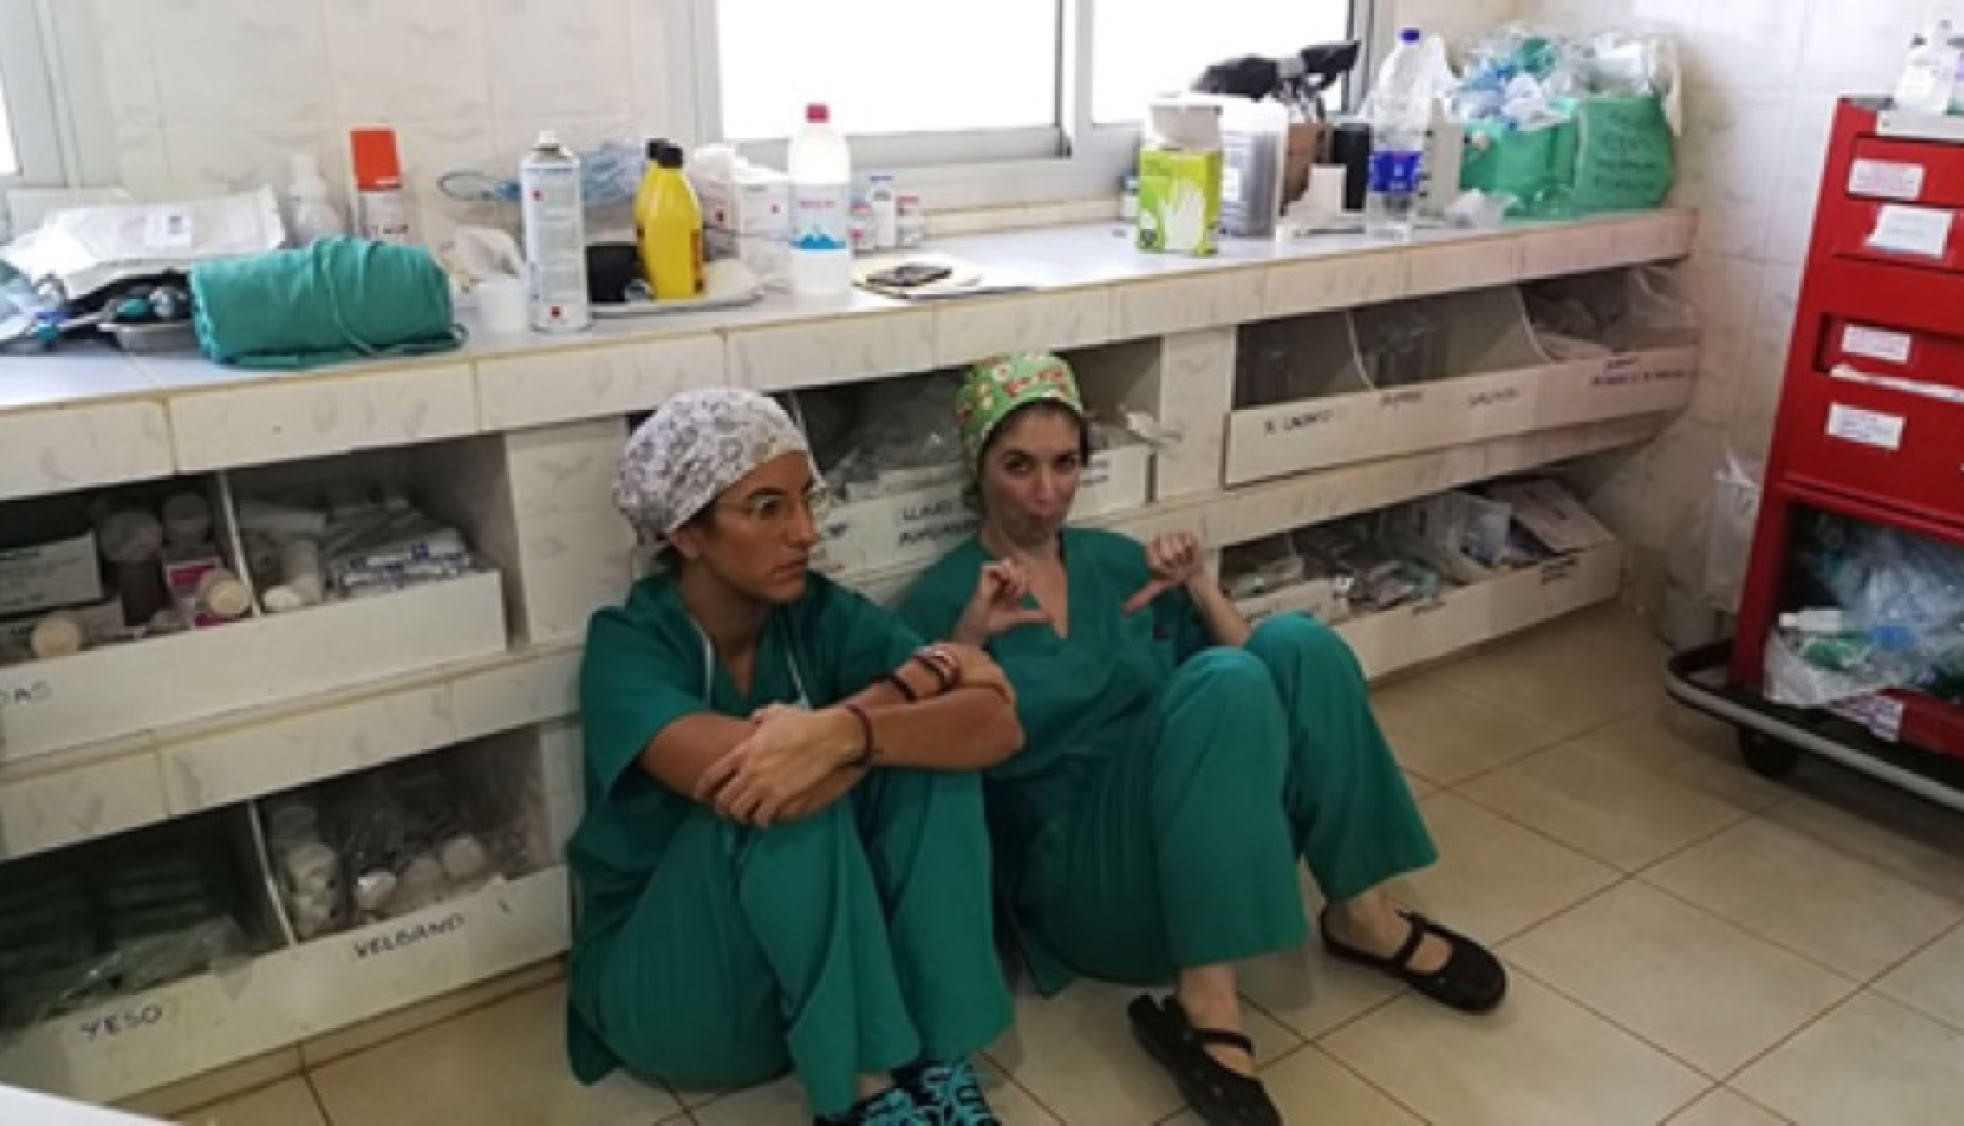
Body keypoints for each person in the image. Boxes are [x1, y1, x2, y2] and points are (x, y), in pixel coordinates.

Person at [899, 354, 1507, 1125]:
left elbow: (1262, 680)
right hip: (1082, 874)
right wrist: (966, 642)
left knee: (1299, 644)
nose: (1046, 492)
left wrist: (1199, 587)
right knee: (1224, 680)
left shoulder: (1117, 562)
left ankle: (1361, 914)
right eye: (1018, 466)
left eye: (1065, 464)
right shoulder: (943, 598)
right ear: (978, 466)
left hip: (1196, 838)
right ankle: (1207, 1000)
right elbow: (914, 753)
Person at [565, 389, 1024, 1126]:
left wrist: (847, 735)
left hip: (803, 974)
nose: (805, 533)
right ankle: (864, 1092)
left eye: (806, 501)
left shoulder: (815, 612)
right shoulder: (630, 646)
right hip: (675, 987)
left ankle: (936, 1056)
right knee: (780, 792)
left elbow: (997, 725)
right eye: (767, 509)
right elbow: (756, 771)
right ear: (686, 533)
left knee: (918, 765)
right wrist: (907, 689)